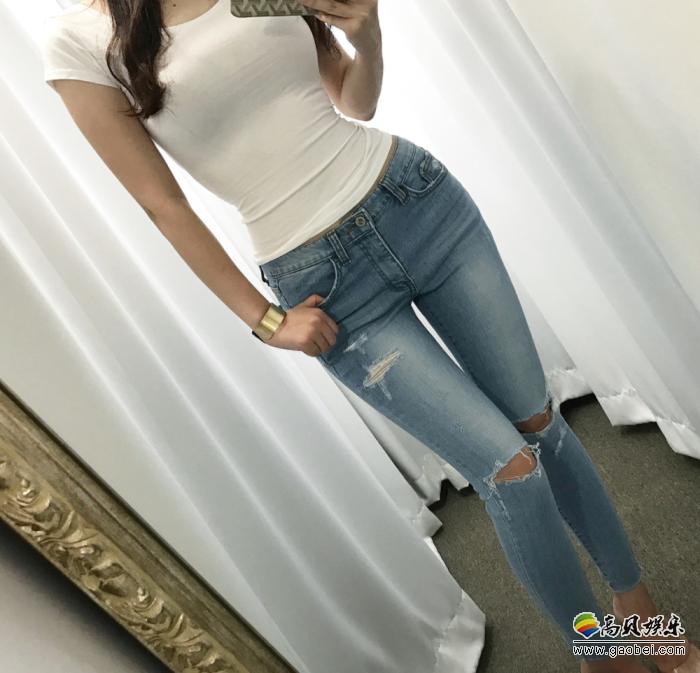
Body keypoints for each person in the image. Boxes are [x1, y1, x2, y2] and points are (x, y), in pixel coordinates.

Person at [39, 1, 697, 671]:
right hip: (327, 287)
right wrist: (265, 320)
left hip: (420, 203)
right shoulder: (83, 42)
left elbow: (356, 100)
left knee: (540, 425)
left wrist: (367, 32)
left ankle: (641, 616)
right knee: (511, 472)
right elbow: (162, 204)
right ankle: (601, 654)